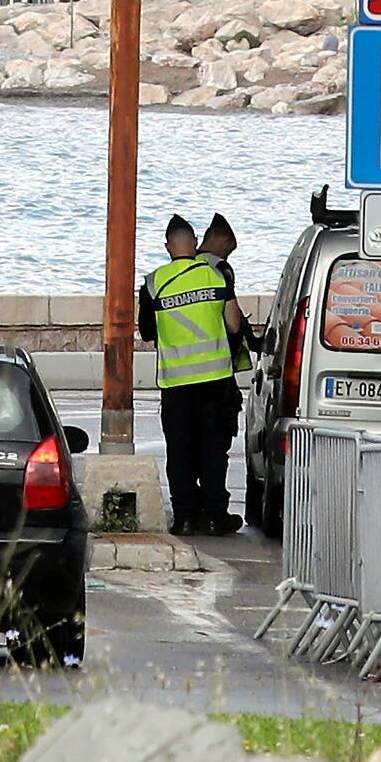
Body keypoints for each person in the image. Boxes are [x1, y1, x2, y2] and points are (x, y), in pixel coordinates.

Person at [146, 213, 241, 535]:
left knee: (180, 452)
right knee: (214, 451)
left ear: (168, 246)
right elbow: (234, 325)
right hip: (216, 382)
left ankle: (185, 518)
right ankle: (216, 516)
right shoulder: (216, 276)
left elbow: (147, 331)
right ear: (194, 242)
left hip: (176, 384)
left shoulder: (154, 282)